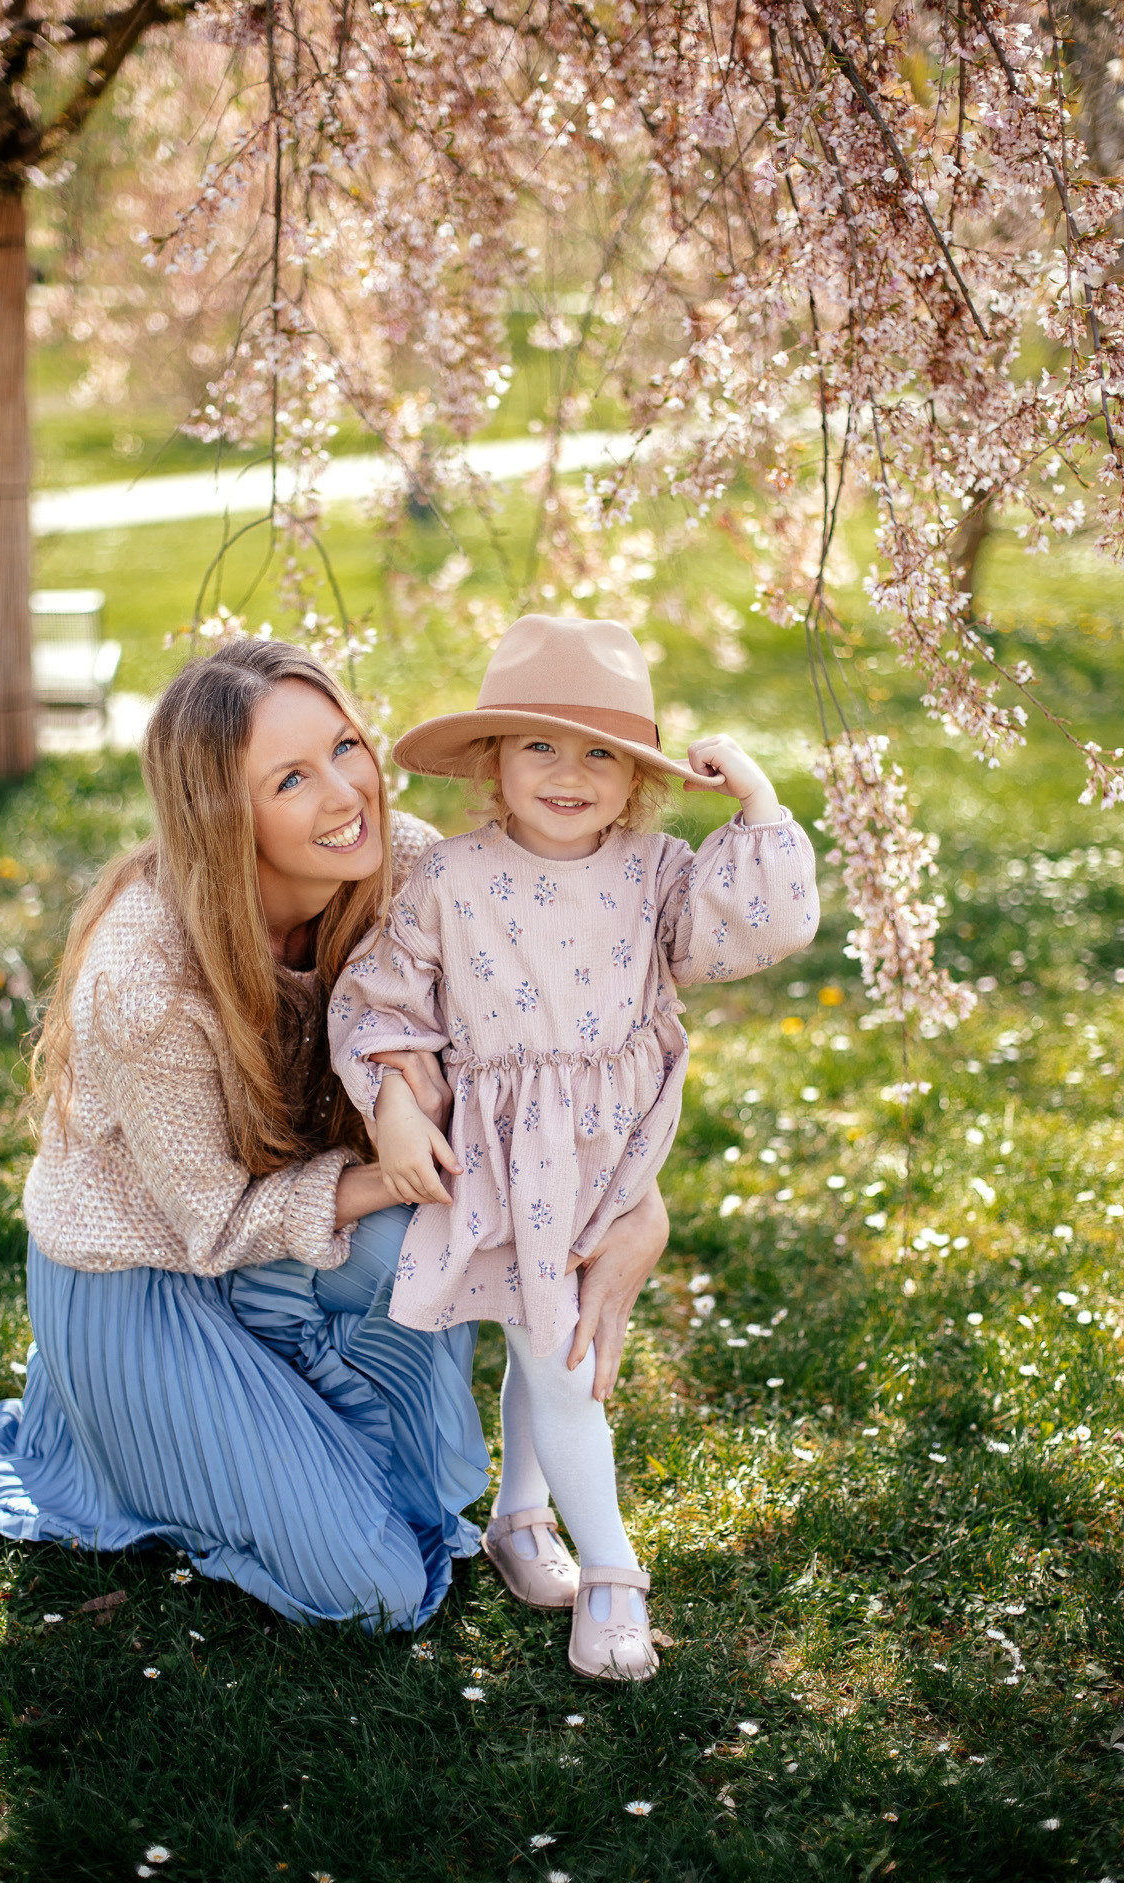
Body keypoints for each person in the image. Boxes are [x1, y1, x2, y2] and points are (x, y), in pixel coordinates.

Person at [0, 637, 667, 1632]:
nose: (346, 794)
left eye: (345, 747)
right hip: (146, 1279)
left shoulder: (405, 869)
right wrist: (383, 1179)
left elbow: (550, 1053)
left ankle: (270, 1420)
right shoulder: (144, 977)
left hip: (295, 1230)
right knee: (376, 1588)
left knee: (442, 1288)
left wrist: (636, 1206)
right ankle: (134, 1446)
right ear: (223, 813)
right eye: (290, 777)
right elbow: (211, 1225)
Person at [329, 615, 819, 1674]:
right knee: (559, 1351)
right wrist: (396, 1105)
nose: (569, 772)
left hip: (614, 1146)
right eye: (539, 745)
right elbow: (376, 1002)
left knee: (543, 1330)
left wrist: (759, 801)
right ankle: (610, 1568)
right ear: (491, 761)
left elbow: (759, 929)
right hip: (504, 1153)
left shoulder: (657, 871)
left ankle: (519, 1516)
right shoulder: (450, 879)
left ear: (637, 779)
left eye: (600, 752)